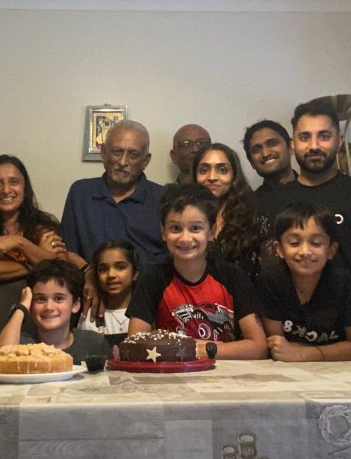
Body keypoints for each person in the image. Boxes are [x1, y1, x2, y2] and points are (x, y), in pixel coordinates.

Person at [126, 184, 267, 360]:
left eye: (195, 228)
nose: (185, 238)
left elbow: (259, 347)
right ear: (163, 232)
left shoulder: (232, 276)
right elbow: (134, 345)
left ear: (212, 231)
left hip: (226, 372)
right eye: (175, 228)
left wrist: (205, 350)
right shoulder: (153, 278)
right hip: (173, 373)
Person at [257, 99, 351, 274]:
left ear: (339, 141)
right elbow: (272, 271)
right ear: (293, 144)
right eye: (305, 137)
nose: (314, 146)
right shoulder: (273, 200)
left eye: (324, 136)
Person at [61, 121, 168, 312]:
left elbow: (176, 257)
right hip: (93, 306)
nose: (123, 162)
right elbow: (64, 251)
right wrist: (89, 273)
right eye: (117, 152)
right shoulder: (81, 193)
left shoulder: (163, 199)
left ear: (145, 161)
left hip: (154, 306)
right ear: (103, 153)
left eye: (133, 154)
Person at [258, 203, 351, 362]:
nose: (305, 252)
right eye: (294, 243)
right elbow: (277, 345)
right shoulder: (272, 280)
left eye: (316, 243)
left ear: (331, 250)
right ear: (279, 249)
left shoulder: (342, 282)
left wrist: (303, 353)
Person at [0, 155, 85, 284]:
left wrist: (20, 242)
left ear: (24, 188)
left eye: (14, 182)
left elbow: (62, 267)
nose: (6, 190)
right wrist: (38, 260)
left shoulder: (42, 223)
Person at [0, 259, 112, 364]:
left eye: (58, 299)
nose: (49, 307)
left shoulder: (94, 343)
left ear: (75, 304)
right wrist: (22, 307)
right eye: (40, 299)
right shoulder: (19, 343)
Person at [193, 143, 265, 280]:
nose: (212, 177)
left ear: (234, 176)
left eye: (222, 170)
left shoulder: (253, 218)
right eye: (204, 170)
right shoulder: (185, 218)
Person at [77, 239, 139, 351]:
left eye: (120, 267)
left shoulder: (144, 315)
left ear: (135, 273)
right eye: (103, 269)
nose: (111, 275)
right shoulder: (90, 318)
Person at [242, 119, 297, 198]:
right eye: (257, 150)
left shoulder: (314, 191)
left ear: (291, 147)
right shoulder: (249, 204)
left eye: (272, 143)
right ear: (251, 162)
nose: (265, 153)